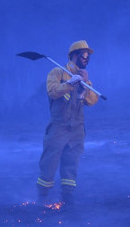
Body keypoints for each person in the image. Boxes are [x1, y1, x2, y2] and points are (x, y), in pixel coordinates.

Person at [36, 40, 100, 207]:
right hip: (59, 127)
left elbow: (92, 101)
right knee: (49, 162)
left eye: (89, 56)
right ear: (74, 56)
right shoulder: (57, 73)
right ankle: (42, 198)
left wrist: (86, 85)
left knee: (71, 163)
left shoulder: (84, 77)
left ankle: (68, 198)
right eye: (84, 55)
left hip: (77, 128)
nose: (87, 59)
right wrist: (70, 84)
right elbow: (52, 92)